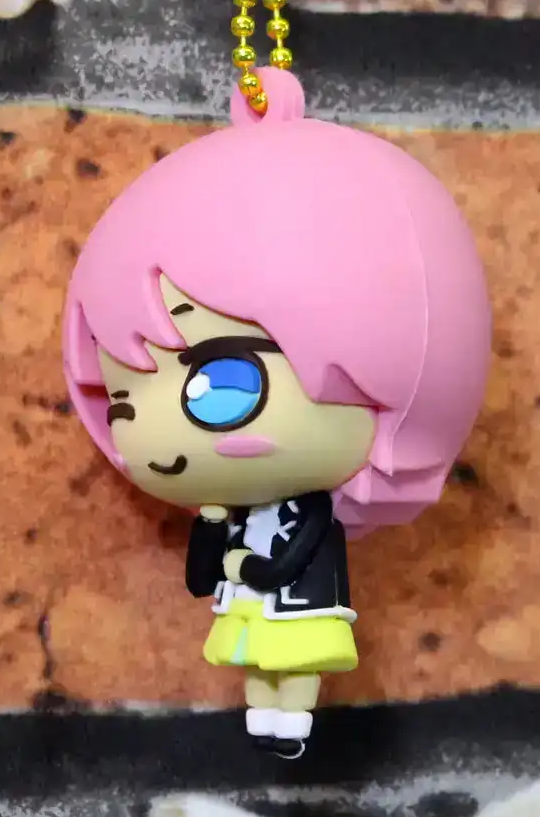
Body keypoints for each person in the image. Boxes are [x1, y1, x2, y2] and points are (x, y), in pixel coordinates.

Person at [63, 69, 492, 759]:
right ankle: (269, 715)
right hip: (250, 607)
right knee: (257, 660)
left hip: (293, 606)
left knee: (293, 661)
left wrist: (248, 565)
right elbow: (202, 577)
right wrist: (214, 537)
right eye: (123, 402)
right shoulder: (230, 508)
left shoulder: (310, 510)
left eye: (222, 383)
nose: (158, 437)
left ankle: (289, 717)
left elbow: (291, 555)